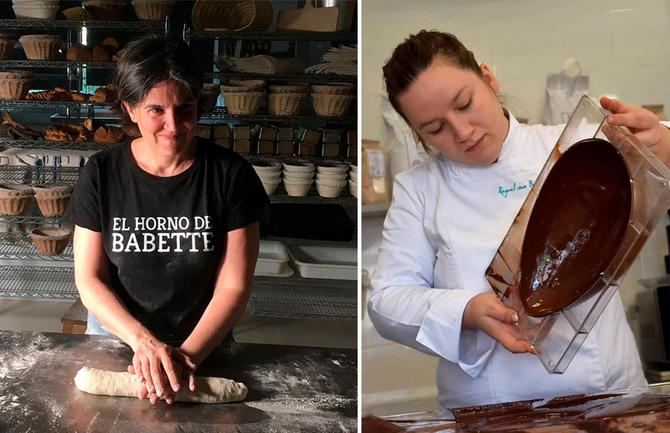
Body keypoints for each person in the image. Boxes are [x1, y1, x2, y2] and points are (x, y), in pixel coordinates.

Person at [368, 30, 670, 408]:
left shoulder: (576, 145)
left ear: (488, 78)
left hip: (608, 396)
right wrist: (466, 310)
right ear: (416, 133)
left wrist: (660, 142)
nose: (462, 132)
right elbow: (386, 302)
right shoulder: (419, 189)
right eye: (435, 128)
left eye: (464, 104)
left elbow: (656, 177)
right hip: (491, 411)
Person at [64, 35, 269, 405]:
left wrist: (185, 359)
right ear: (130, 109)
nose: (173, 125)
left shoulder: (230, 175)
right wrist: (143, 342)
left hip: (204, 341)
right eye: (156, 110)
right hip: (118, 339)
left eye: (185, 108)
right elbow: (89, 278)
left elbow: (233, 286)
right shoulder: (102, 173)